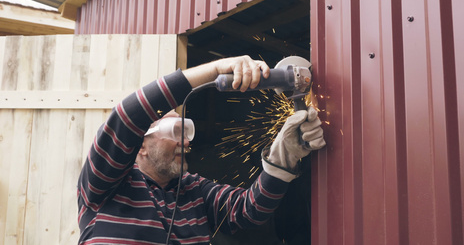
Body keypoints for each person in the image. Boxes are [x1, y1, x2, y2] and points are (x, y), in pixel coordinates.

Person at [77, 55, 326, 244]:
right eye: (175, 132)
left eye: (186, 132)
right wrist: (215, 69)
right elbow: (127, 115)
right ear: (141, 145)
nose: (185, 142)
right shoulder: (105, 183)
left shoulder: (194, 189)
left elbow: (250, 210)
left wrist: (283, 155)